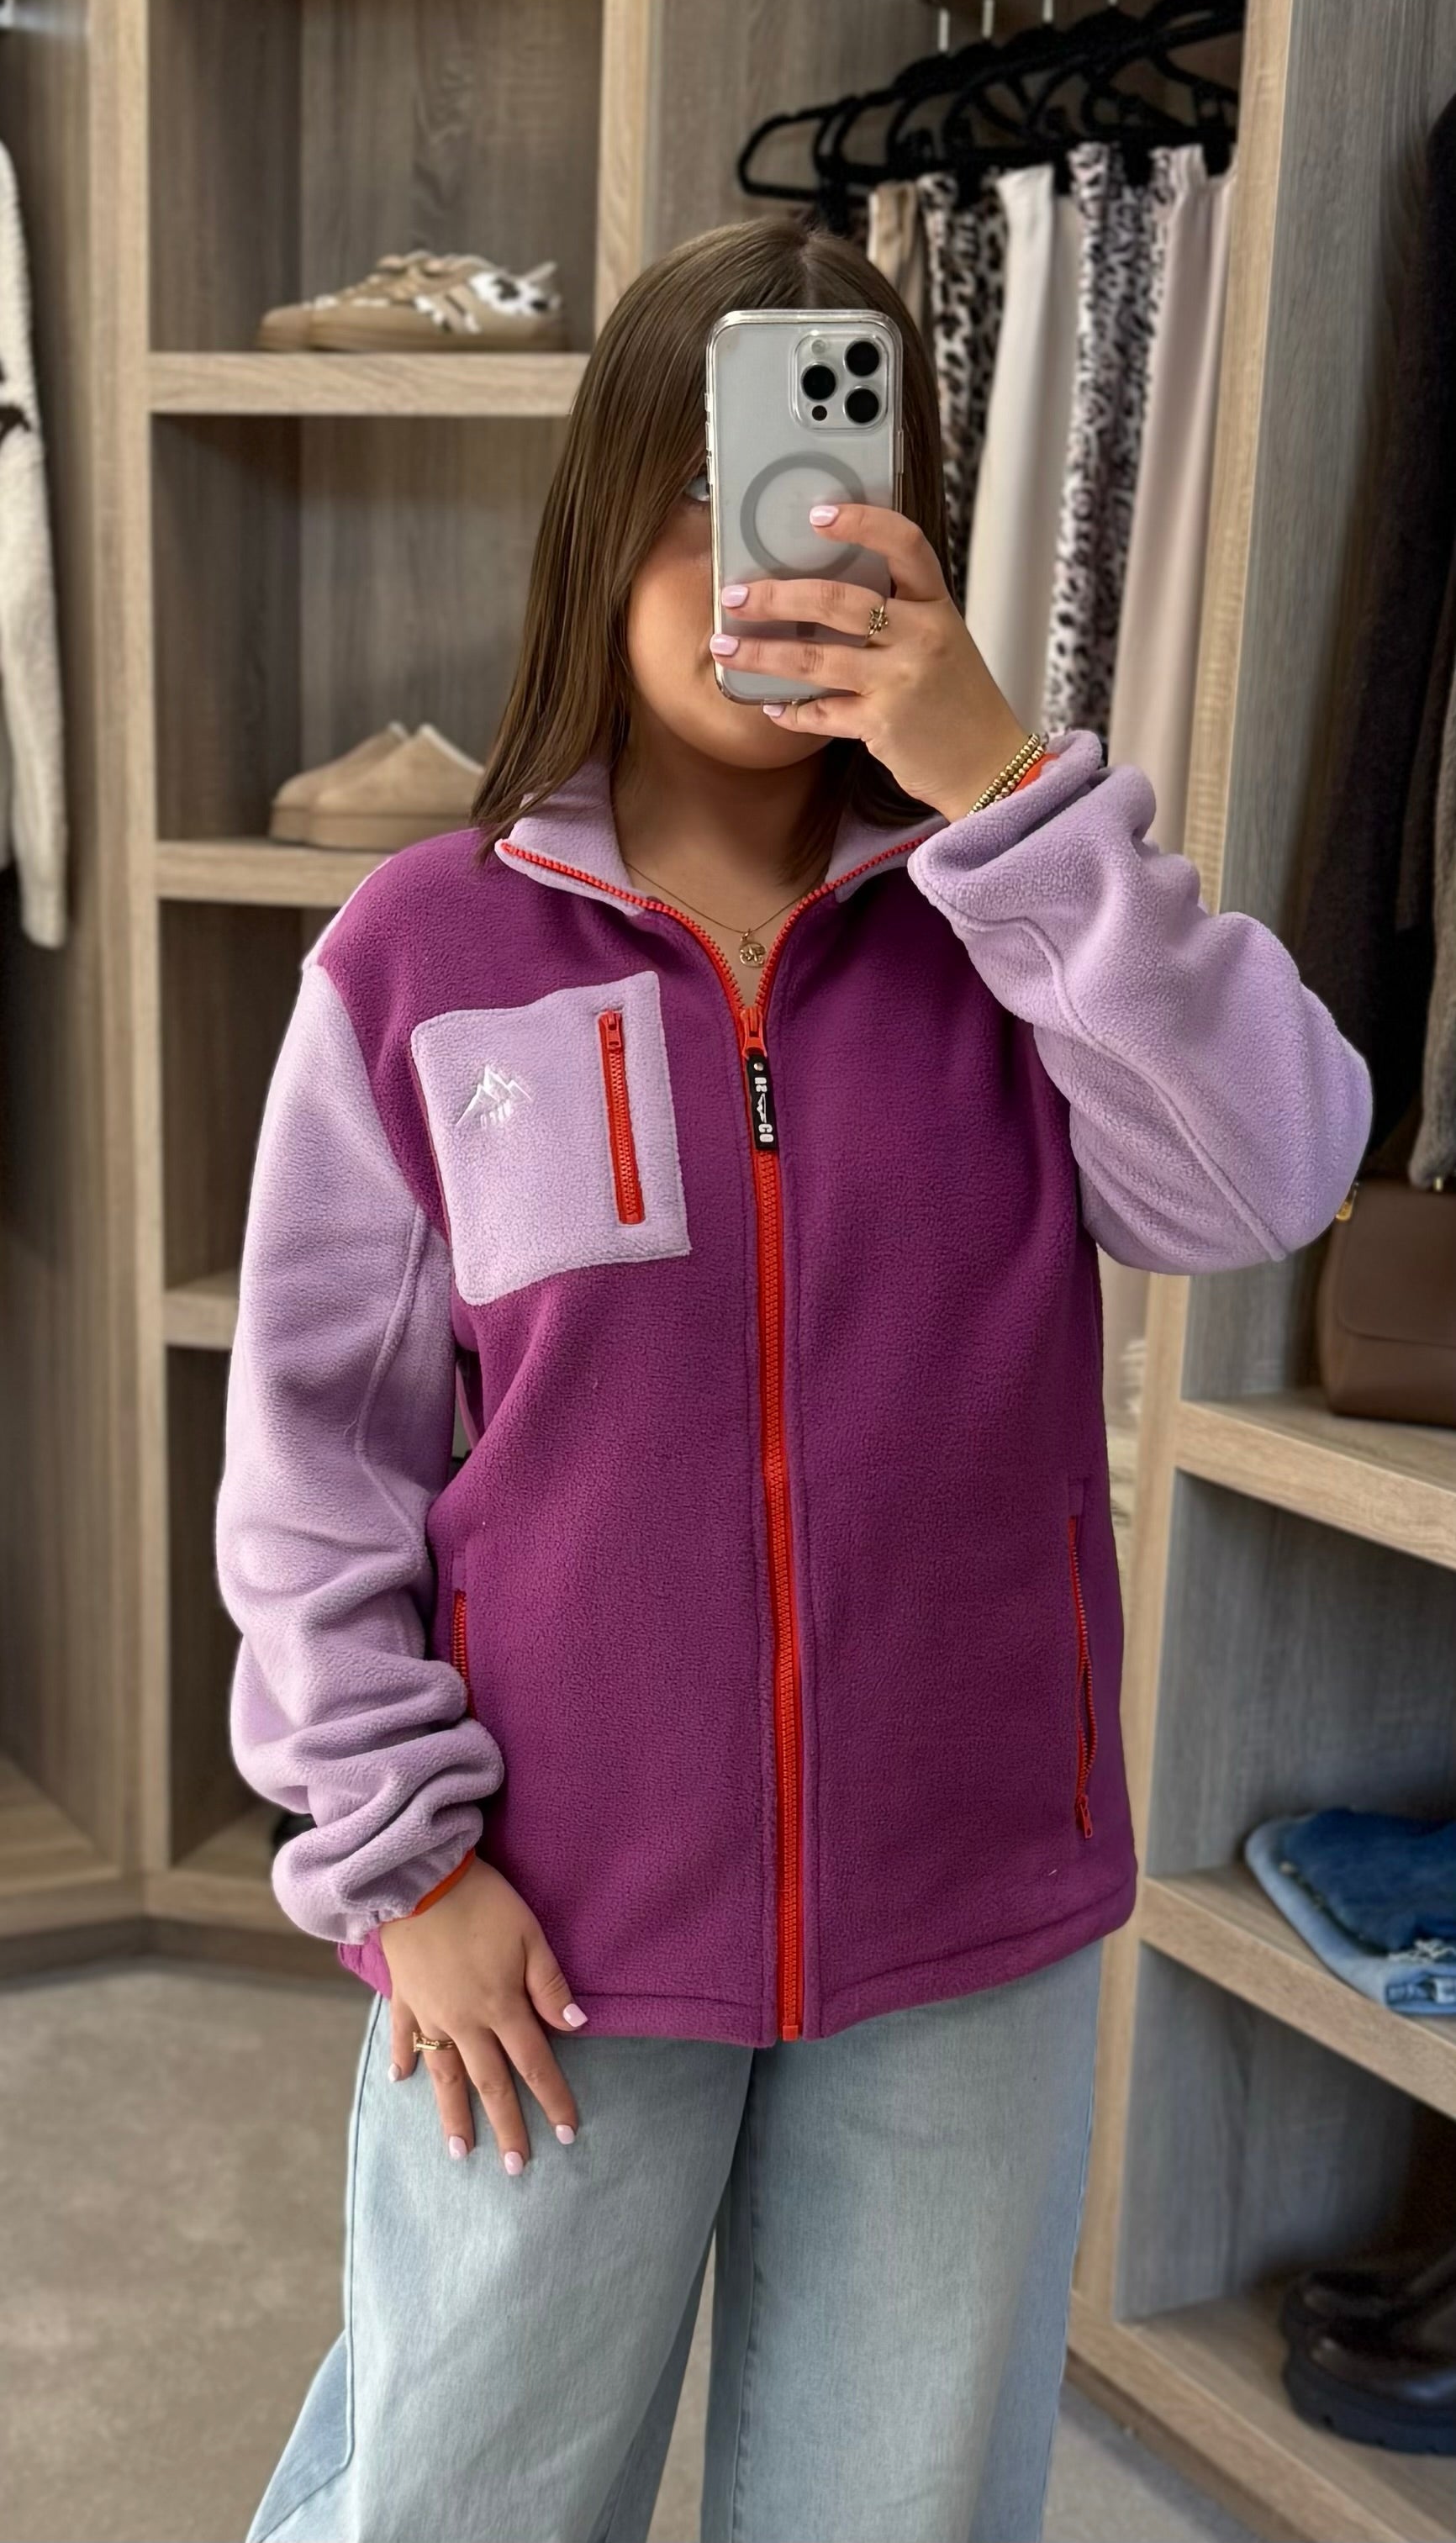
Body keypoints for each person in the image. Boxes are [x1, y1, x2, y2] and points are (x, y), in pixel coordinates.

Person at [216, 214, 1371, 2543]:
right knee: (460, 2492)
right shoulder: (425, 954)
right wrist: (400, 1862)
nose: (756, 555)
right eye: (694, 489)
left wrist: (1008, 794)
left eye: (826, 486)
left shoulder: (1019, 934)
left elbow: (1268, 1174)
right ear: (597, 525)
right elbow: (317, 1462)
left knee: (897, 2513)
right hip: (548, 1921)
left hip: (966, 1908)